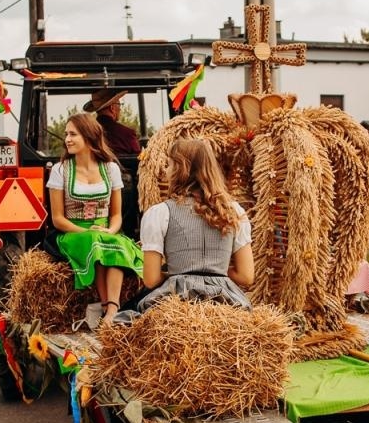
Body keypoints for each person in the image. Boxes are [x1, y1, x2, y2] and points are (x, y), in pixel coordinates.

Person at [125, 138, 254, 316]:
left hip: (177, 302)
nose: (166, 170)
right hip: (225, 303)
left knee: (125, 319)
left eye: (169, 164)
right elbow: (246, 276)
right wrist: (216, 272)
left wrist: (180, 275)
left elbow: (151, 279)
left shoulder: (160, 213)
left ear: (181, 169)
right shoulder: (235, 212)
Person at [46, 113, 143, 326]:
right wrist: (87, 232)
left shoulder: (111, 169)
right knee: (96, 242)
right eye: (66, 134)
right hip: (73, 233)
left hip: (104, 230)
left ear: (89, 137)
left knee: (114, 242)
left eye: (73, 134)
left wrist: (111, 230)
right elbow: (58, 219)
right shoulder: (60, 170)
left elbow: (116, 215)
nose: (67, 139)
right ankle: (107, 307)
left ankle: (112, 310)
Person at [84, 88, 141, 155]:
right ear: (112, 108)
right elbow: (139, 158)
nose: (120, 109)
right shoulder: (127, 133)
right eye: (119, 104)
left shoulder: (86, 132)